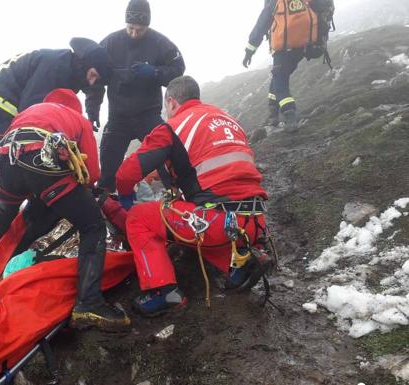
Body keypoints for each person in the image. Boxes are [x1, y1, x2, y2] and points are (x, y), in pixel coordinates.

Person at [0, 88, 130, 331]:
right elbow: (92, 175)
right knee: (92, 226)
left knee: (4, 214)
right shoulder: (76, 118)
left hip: (5, 159)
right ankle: (88, 303)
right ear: (75, 107)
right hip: (41, 156)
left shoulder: (30, 112)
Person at [116, 76, 272, 317]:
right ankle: (240, 265)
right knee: (195, 214)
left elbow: (126, 174)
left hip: (217, 222)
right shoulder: (225, 119)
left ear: (170, 102)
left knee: (138, 217)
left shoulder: (173, 126)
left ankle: (163, 292)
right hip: (255, 221)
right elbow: (203, 165)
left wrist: (125, 196)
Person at [85, 0, 185, 192]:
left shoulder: (160, 43)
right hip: (118, 117)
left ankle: (177, 193)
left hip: (147, 115)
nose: (134, 33)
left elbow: (178, 70)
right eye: (130, 28)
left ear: (148, 25)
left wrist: (155, 72)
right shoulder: (110, 43)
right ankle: (106, 204)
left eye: (140, 29)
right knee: (107, 163)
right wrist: (92, 111)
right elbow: (94, 80)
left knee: (168, 154)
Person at [0, 37, 112, 146]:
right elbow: (32, 109)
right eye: (93, 75)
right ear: (86, 64)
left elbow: (94, 89)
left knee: (25, 150)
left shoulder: (78, 70)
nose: (92, 81)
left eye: (97, 78)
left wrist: (92, 115)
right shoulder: (55, 67)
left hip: (12, 103)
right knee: (7, 154)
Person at [242, 0, 324, 130]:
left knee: (280, 82)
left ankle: (290, 116)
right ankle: (273, 115)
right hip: (304, 47)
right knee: (277, 77)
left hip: (283, 50)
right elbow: (322, 9)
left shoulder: (273, 2)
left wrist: (249, 52)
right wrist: (320, 41)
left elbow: (261, 26)